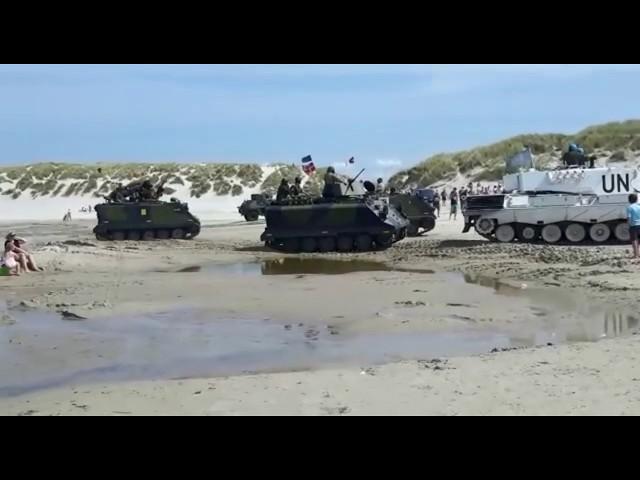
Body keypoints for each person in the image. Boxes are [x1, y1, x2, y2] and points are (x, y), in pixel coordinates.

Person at [628, 194, 640, 259]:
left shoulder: (630, 207)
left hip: (633, 225)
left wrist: (629, 225)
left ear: (629, 200)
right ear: (636, 199)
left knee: (634, 240)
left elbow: (629, 217)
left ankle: (636, 255)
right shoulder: (639, 206)